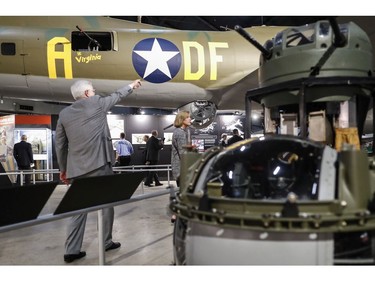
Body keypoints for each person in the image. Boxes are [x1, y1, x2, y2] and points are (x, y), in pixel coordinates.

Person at [55, 78, 142, 263]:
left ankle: (72, 250)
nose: (95, 92)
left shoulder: (64, 114)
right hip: (100, 165)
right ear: (87, 94)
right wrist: (131, 86)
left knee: (77, 210)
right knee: (106, 205)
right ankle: (106, 242)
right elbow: (116, 95)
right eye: (93, 90)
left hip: (76, 169)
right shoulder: (96, 103)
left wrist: (63, 169)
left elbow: (60, 145)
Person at [170, 111, 192, 222]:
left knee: (183, 191)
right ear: (182, 119)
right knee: (183, 191)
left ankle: (177, 213)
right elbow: (183, 152)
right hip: (181, 167)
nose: (190, 119)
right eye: (188, 117)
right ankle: (176, 214)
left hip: (182, 166)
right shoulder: (180, 132)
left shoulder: (184, 131)